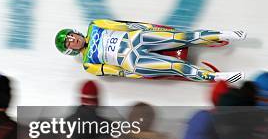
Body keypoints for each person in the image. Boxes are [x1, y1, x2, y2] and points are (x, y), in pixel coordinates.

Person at [55, 19, 246, 83]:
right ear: (70, 50)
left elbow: (123, 25)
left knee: (182, 37)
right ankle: (218, 77)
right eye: (70, 43)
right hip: (133, 62)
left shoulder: (94, 25)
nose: (73, 40)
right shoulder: (88, 64)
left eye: (71, 36)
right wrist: (139, 75)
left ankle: (224, 34)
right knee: (177, 66)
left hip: (136, 39)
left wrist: (149, 28)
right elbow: (118, 72)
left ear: (75, 32)